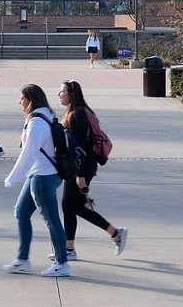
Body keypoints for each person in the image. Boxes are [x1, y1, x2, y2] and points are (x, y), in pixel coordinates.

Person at [50, 79, 127, 262]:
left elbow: (80, 149)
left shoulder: (77, 115)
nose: (59, 95)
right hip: (84, 166)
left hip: (81, 167)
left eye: (62, 91)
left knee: (68, 206)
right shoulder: (79, 112)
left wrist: (80, 176)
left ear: (71, 94)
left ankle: (69, 250)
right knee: (76, 207)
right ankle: (116, 233)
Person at [3, 84, 71, 277]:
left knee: (51, 220)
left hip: (43, 176)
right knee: (21, 212)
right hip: (39, 174)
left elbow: (28, 154)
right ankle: (22, 260)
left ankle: (62, 263)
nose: (19, 101)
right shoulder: (44, 116)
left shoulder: (36, 123)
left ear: (31, 100)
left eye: (22, 98)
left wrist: (12, 178)